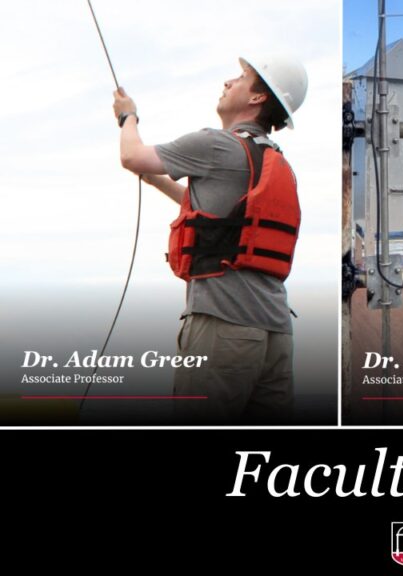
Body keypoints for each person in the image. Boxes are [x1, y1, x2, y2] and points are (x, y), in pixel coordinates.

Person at [112, 55, 308, 424]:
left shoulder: (215, 145)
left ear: (257, 99)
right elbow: (225, 222)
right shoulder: (272, 160)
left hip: (224, 329)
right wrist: (158, 180)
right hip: (275, 335)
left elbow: (130, 155)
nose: (228, 81)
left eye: (241, 77)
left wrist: (128, 116)